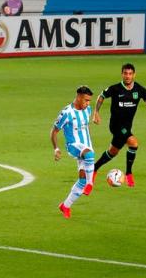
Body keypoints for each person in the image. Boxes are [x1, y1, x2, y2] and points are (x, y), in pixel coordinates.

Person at [90, 62, 146, 189]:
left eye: (130, 74)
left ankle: (94, 168)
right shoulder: (115, 89)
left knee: (113, 152)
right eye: (125, 73)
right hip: (115, 125)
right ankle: (129, 173)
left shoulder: (139, 89)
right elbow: (101, 96)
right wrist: (96, 112)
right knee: (133, 143)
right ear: (122, 74)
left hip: (127, 127)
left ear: (134, 75)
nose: (127, 76)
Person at [50, 85, 96, 218]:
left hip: (86, 145)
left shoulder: (87, 109)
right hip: (73, 146)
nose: (88, 103)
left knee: (81, 179)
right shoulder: (66, 113)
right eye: (86, 100)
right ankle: (90, 183)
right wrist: (56, 148)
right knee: (89, 155)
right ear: (78, 97)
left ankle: (65, 206)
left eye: (89, 101)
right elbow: (54, 131)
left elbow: (85, 127)